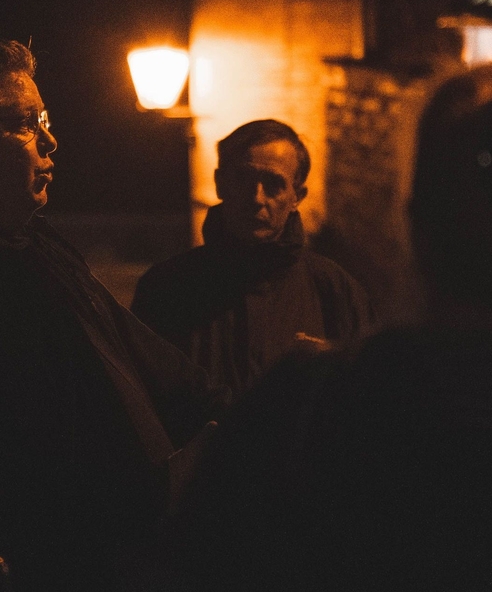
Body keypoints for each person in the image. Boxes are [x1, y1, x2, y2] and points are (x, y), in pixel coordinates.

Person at [0, 36, 229, 592]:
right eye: (25, 123)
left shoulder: (36, 245)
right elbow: (12, 473)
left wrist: (236, 419)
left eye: (45, 119)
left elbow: (149, 362)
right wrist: (155, 491)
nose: (50, 141)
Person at [170, 68, 492, 591]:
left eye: (273, 184)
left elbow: (200, 560)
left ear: (416, 222)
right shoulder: (175, 293)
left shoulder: (314, 396)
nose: (256, 199)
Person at [131, 119, 373, 399]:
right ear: (221, 183)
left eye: (273, 184)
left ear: (297, 196)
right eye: (243, 179)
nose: (256, 197)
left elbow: (365, 402)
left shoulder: (336, 292)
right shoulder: (166, 289)